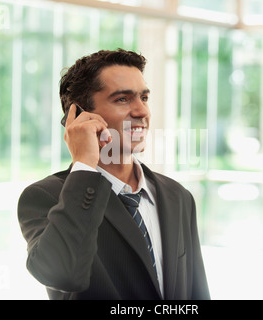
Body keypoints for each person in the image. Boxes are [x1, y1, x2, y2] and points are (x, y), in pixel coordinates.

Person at [17, 49, 210, 300]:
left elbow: (196, 292)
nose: (142, 111)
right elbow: (63, 274)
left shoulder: (178, 196)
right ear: (80, 116)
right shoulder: (46, 196)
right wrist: (85, 164)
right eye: (123, 99)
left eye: (144, 97)